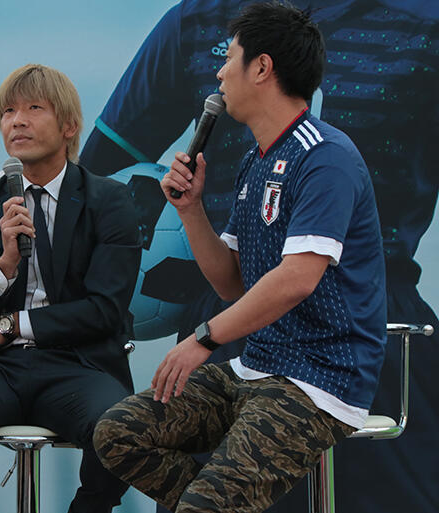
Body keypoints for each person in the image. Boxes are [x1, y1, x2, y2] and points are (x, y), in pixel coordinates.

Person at [81, 1, 438, 511]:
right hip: (254, 355)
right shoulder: (256, 159)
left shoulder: (327, 157)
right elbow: (232, 283)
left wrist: (202, 339)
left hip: (319, 371)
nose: (219, 73)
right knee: (117, 434)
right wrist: (191, 211)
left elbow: (297, 280)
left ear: (262, 68)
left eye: (229, 60)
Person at [0, 64, 142, 513]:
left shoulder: (109, 201)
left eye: (34, 108)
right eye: (8, 112)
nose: (17, 121)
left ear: (69, 126)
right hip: (0, 367)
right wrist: (5, 265)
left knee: (120, 424)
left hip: (80, 364)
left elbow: (105, 311)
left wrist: (13, 322)